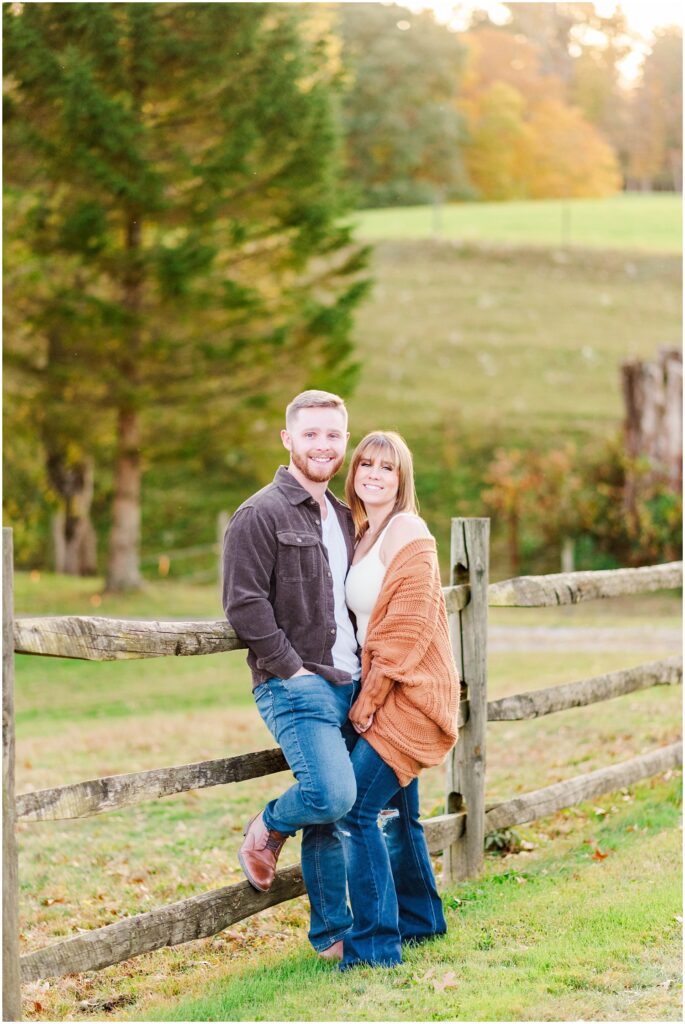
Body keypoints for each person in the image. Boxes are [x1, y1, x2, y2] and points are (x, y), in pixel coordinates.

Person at [222, 390, 361, 962]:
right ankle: (269, 825)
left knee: (335, 816)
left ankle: (332, 936)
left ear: (344, 441)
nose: (323, 445)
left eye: (333, 435)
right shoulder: (260, 514)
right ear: (288, 440)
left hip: (351, 681)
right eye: (311, 434)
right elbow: (243, 603)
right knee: (330, 794)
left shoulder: (347, 516)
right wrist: (292, 668)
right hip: (294, 684)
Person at [340, 430, 460, 970]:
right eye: (365, 464)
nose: (373, 475)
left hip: (408, 695)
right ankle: (422, 921)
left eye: (386, 468)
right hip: (387, 690)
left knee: (356, 810)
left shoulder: (407, 530)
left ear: (401, 479)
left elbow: (407, 628)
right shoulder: (364, 532)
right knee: (397, 814)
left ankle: (374, 948)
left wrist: (369, 698)